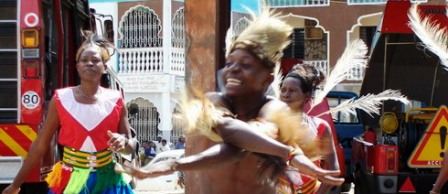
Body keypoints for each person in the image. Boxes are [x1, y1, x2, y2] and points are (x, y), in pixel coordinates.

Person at [124, 7, 344, 194]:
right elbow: (232, 132)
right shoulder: (213, 102)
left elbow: (240, 144)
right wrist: (289, 153)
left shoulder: (275, 109)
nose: (234, 69)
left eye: (246, 65)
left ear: (266, 80)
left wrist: (175, 164)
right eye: (230, 63)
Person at [2, 32, 136, 194]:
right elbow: (40, 144)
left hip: (109, 181)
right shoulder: (61, 99)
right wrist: (16, 184)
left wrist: (123, 141)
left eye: (95, 60)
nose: (89, 64)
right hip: (69, 181)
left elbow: (130, 147)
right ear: (77, 66)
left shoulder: (116, 100)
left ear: (104, 67)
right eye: (84, 60)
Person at [279, 63, 340, 193]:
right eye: (283, 90)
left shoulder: (320, 127)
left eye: (292, 90)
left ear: (306, 96)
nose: (286, 94)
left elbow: (333, 167)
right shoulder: (270, 125)